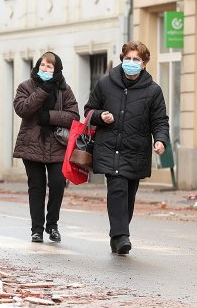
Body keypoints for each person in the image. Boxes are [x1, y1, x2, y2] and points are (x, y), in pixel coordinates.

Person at [84, 40, 170, 255]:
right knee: (117, 189)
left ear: (144, 64)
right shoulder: (105, 83)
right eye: (128, 58)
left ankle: (118, 235)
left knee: (129, 195)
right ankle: (121, 236)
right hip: (109, 147)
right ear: (122, 60)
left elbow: (160, 120)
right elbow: (88, 111)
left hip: (136, 149)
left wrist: (160, 140)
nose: (131, 62)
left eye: (136, 60)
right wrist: (99, 116)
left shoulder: (153, 91)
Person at [13, 51, 80, 243]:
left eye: (49, 67)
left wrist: (49, 117)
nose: (45, 69)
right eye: (42, 65)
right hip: (32, 144)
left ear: (56, 69)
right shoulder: (25, 86)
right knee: (37, 187)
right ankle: (36, 229)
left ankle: (52, 224)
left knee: (58, 184)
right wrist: (43, 90)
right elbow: (22, 109)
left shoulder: (64, 89)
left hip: (57, 145)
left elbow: (74, 116)